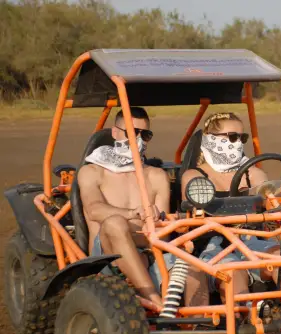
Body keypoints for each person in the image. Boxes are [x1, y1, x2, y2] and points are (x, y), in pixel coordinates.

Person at [181, 112, 281, 318]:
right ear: (210, 139)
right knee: (232, 270)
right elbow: (191, 207)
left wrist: (280, 191)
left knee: (280, 258)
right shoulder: (194, 176)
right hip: (214, 244)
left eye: (242, 138)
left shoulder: (252, 172)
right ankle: (250, 313)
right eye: (231, 137)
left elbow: (265, 191)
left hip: (251, 240)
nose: (238, 143)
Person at [79, 107, 205, 309]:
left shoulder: (156, 176)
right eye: (132, 132)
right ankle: (154, 299)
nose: (138, 139)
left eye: (145, 134)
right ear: (115, 132)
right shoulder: (92, 171)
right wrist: (131, 213)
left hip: (149, 247)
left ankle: (199, 329)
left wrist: (158, 219)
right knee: (114, 224)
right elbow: (94, 210)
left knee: (195, 271)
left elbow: (162, 235)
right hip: (106, 254)